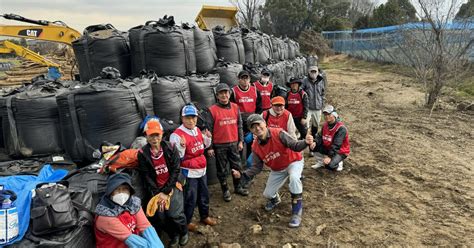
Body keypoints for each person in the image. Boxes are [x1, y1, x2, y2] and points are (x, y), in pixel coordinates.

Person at [236, 114, 314, 228]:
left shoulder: (278, 133)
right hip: (278, 169)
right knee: (267, 194)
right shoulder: (255, 147)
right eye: (253, 127)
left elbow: (295, 145)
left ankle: (296, 212)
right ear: (251, 130)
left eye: (259, 124)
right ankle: (275, 199)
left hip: (293, 161)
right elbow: (256, 167)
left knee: (294, 178)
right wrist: (243, 174)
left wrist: (305, 142)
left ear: (265, 123)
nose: (257, 128)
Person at [137, 119, 188, 248]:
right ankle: (173, 235)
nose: (154, 139)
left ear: (162, 134)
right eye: (151, 135)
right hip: (156, 189)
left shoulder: (170, 147)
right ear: (146, 136)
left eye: (157, 135)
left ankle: (183, 232)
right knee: (161, 217)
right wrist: (157, 194)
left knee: (175, 214)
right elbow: (146, 176)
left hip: (172, 185)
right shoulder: (143, 154)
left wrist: (166, 191)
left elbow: (176, 170)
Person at [169, 104, 217, 233]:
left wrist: (208, 138)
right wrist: (182, 147)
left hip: (202, 169)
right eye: (188, 118)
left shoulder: (196, 130)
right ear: (182, 118)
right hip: (189, 172)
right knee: (190, 198)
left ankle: (204, 216)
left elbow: (203, 146)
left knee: (204, 194)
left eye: (193, 117)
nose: (191, 121)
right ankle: (188, 221)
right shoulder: (176, 135)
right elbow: (176, 157)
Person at [95, 173, 164, 248]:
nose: (121, 193)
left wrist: (158, 245)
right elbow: (129, 238)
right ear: (110, 192)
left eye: (125, 189)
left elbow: (145, 226)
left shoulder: (134, 204)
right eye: (117, 190)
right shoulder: (105, 215)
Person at [205, 83, 247, 202]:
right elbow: (209, 129)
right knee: (222, 170)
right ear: (217, 95)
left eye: (226, 92)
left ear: (229, 94)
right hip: (219, 145)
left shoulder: (235, 107)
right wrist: (210, 147)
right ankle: (225, 190)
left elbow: (239, 125)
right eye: (221, 93)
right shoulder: (212, 110)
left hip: (234, 143)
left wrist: (241, 141)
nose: (224, 95)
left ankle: (238, 187)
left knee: (237, 166)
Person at [310, 105, 350, 171]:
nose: (326, 116)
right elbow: (319, 136)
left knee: (330, 166)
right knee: (312, 145)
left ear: (334, 115)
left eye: (329, 114)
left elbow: (337, 145)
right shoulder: (325, 125)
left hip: (340, 151)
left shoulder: (341, 128)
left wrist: (329, 157)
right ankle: (320, 162)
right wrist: (315, 142)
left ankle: (339, 162)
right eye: (325, 115)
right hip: (329, 147)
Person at [301, 66, 326, 150]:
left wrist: (322, 104)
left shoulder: (321, 80)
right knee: (305, 126)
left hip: (318, 107)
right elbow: (301, 92)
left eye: (315, 72)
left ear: (317, 72)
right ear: (309, 72)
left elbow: (323, 93)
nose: (313, 73)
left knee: (315, 126)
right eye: (312, 72)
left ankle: (313, 140)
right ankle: (307, 143)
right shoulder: (305, 81)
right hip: (308, 108)